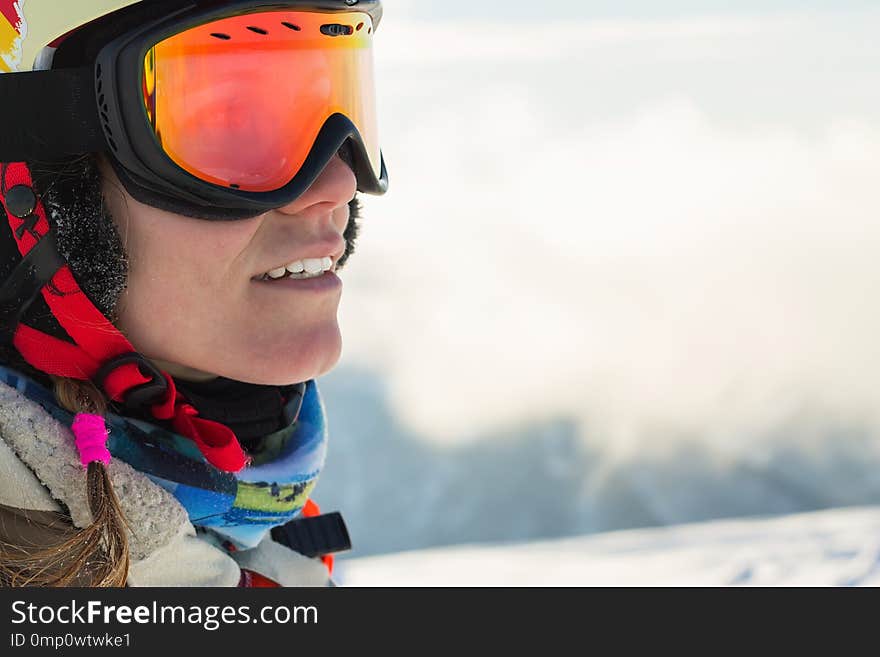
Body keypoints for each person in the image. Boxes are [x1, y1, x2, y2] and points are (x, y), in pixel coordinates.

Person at [0, 0, 388, 586]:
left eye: (335, 100)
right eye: (229, 123)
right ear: (35, 194)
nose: (337, 182)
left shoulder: (251, 556)